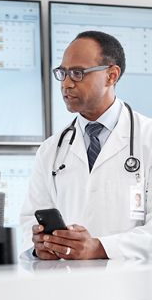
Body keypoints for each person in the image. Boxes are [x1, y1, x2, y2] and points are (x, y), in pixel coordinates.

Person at [20, 30, 152, 260]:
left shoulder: (147, 138)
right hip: (69, 287)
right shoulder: (51, 149)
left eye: (78, 73)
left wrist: (100, 247)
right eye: (63, 73)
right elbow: (29, 219)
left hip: (134, 288)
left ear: (111, 76)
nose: (67, 84)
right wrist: (38, 246)